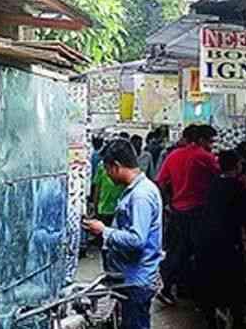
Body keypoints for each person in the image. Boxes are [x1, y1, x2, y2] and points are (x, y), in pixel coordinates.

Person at [83, 139, 163, 329]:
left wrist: (104, 231)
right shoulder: (135, 190)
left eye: (107, 169)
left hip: (136, 280)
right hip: (130, 277)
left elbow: (137, 240)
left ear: (116, 166)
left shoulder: (140, 196)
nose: (107, 175)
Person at [155, 124, 220, 305]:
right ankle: (196, 294)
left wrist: (169, 202)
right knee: (199, 253)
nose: (211, 146)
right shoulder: (205, 157)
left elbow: (160, 182)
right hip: (198, 212)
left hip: (176, 211)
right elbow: (221, 178)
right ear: (200, 140)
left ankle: (168, 288)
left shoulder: (173, 156)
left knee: (176, 251)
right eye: (210, 142)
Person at [197, 150, 246, 328]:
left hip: (207, 242)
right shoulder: (238, 187)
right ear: (237, 166)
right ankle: (237, 322)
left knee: (211, 283)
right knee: (235, 286)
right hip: (229, 243)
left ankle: (211, 321)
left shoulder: (212, 185)